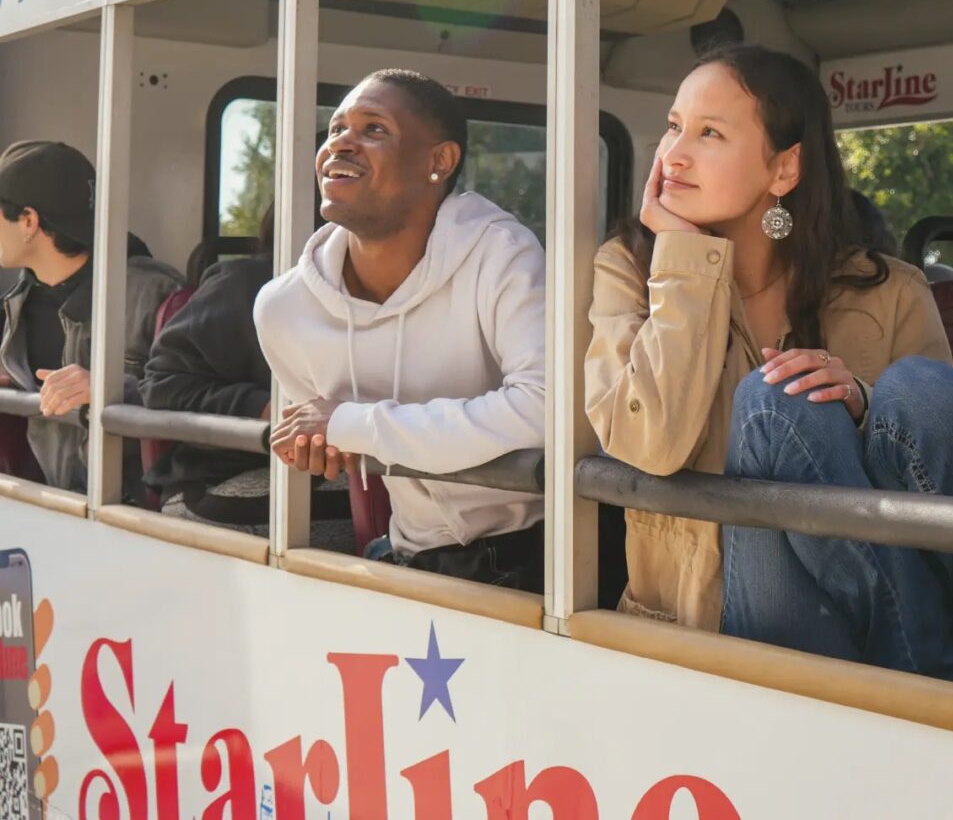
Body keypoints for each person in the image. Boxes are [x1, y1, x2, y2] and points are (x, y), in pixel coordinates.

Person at [585, 44, 953, 684]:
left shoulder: (892, 290)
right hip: (717, 621)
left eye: (709, 133)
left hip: (868, 606)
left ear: (785, 168)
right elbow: (647, 448)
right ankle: (931, 668)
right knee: (776, 399)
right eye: (673, 126)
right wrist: (683, 261)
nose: (674, 154)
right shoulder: (630, 269)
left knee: (923, 388)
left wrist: (861, 401)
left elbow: (934, 452)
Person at [254, 69, 547, 592]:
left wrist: (352, 424)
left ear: (440, 161)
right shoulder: (284, 308)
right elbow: (327, 433)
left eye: (374, 129)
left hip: (540, 554)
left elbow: (544, 408)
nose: (341, 143)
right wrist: (323, 440)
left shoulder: (501, 254)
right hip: (412, 552)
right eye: (335, 129)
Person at [142, 206, 351, 544]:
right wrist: (268, 409)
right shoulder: (244, 283)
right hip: (222, 478)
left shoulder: (394, 296)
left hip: (329, 468)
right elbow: (161, 385)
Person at [0, 141, 182, 491]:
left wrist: (111, 389)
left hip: (133, 510)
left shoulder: (159, 293)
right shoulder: (14, 306)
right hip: (51, 504)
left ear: (28, 221)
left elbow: (197, 394)